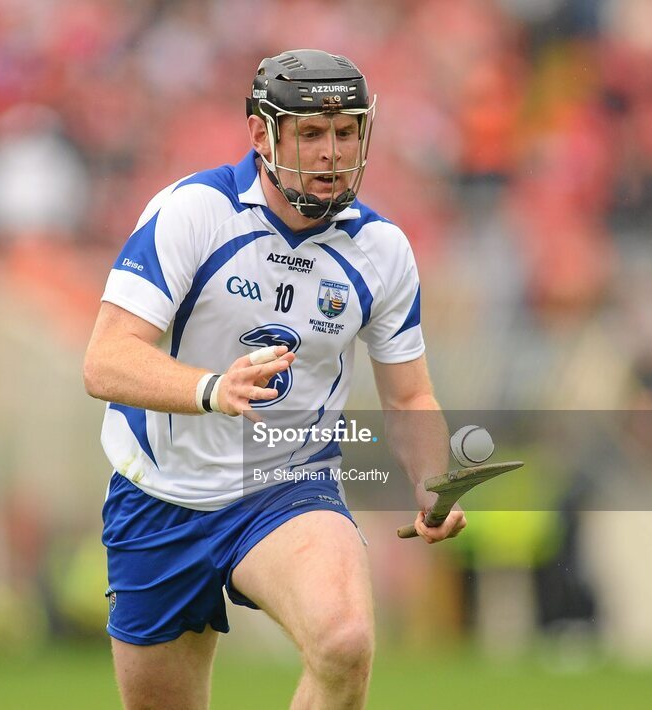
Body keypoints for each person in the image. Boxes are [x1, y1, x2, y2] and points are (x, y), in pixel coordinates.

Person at [84, 49, 465, 710]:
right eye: (311, 133)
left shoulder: (382, 251)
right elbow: (106, 360)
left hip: (288, 486)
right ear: (262, 134)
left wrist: (436, 484)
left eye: (346, 132)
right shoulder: (193, 213)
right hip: (160, 497)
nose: (331, 152)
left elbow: (409, 395)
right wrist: (210, 389)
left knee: (344, 642)